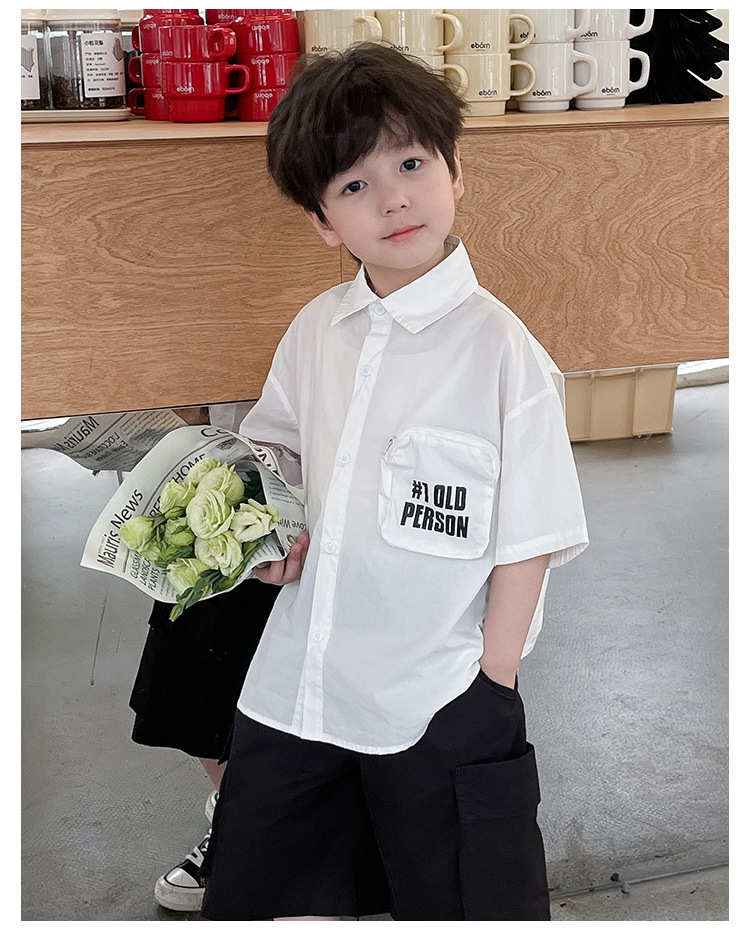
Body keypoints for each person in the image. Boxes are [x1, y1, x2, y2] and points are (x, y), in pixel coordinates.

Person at [200, 43, 589, 921]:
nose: (393, 199)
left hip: (438, 692)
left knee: (460, 898)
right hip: (304, 679)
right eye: (354, 184)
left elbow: (533, 535)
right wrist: (265, 531)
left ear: (456, 172)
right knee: (262, 890)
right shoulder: (316, 329)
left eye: (411, 164)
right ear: (323, 222)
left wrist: (490, 682)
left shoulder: (504, 354)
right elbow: (276, 448)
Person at [128, 404, 283, 912]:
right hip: (223, 468)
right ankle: (238, 818)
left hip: (335, 477)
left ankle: (275, 823)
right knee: (194, 671)